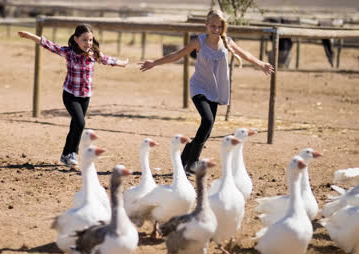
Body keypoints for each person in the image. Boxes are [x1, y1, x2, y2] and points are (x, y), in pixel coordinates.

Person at [139, 9, 274, 173]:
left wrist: (261, 64)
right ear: (206, 25)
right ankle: (193, 162)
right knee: (208, 121)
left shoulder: (227, 42)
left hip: (215, 90)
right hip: (198, 87)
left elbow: (244, 54)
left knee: (207, 131)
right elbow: (177, 55)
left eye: (219, 26)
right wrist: (154, 62)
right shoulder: (199, 41)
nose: (216, 29)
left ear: (223, 27)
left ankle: (185, 157)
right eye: (212, 26)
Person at [18, 24, 128, 166]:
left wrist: (123, 63)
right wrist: (30, 36)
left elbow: (109, 60)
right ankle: (73, 153)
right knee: (80, 123)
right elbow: (49, 45)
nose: (88, 43)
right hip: (70, 95)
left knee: (76, 125)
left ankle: (66, 154)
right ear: (76, 39)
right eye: (84, 40)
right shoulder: (69, 53)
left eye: (90, 40)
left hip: (85, 96)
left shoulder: (94, 54)